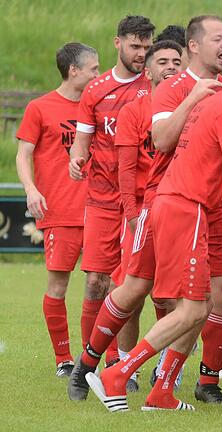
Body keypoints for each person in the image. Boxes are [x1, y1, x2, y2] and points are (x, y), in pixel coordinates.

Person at [85, 47, 222, 413]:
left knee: (199, 307)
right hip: (185, 209)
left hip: (184, 207)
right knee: (186, 309)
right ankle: (117, 373)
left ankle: (161, 393)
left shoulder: (214, 103)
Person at [68, 40, 185, 405]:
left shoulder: (194, 105)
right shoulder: (135, 111)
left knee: (188, 300)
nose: (170, 67)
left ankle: (165, 377)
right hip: (147, 210)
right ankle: (91, 364)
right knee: (132, 292)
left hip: (186, 210)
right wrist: (133, 216)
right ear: (146, 72)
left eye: (176, 61)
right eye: (162, 61)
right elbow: (127, 168)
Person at [67, 15, 154, 401]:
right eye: (135, 46)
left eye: (146, 46)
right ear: (117, 43)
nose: (141, 54)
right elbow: (82, 142)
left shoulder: (154, 86)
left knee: (131, 287)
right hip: (103, 199)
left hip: (142, 200)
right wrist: (76, 159)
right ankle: (88, 367)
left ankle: (122, 365)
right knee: (96, 282)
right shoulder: (95, 90)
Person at [15, 42, 99, 378]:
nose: (99, 74)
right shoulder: (40, 107)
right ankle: (63, 359)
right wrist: (31, 189)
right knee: (58, 287)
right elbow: (23, 154)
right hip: (61, 211)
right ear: (74, 70)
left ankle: (90, 360)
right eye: (93, 68)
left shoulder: (97, 107)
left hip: (98, 210)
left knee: (100, 285)